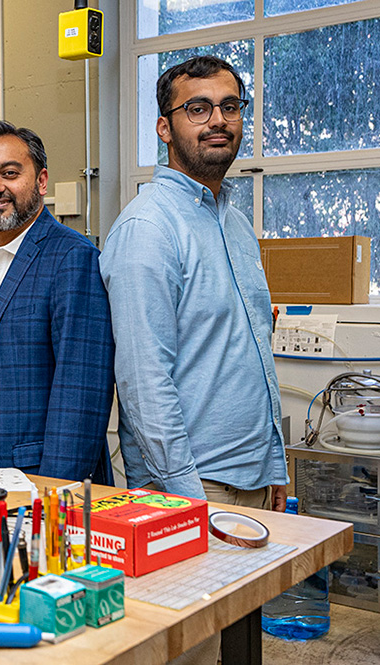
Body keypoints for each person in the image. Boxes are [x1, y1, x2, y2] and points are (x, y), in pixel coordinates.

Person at [99, 56, 288, 512]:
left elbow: (252, 353)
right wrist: (188, 500)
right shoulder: (148, 228)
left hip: (255, 478)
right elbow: (145, 384)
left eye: (230, 106)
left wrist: (276, 466)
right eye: (198, 109)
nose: (218, 120)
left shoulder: (237, 225)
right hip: (194, 487)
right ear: (164, 128)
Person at [0, 119, 114, 483]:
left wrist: (54, 495)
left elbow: (81, 398)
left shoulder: (73, 258)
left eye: (9, 173)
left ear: (41, 181)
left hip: (37, 482)